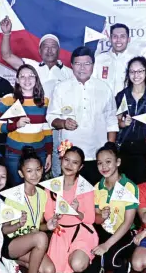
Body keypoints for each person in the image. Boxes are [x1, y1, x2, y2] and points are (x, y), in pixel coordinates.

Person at [0, 16, 75, 178]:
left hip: (58, 124)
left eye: (53, 47)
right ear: (39, 51)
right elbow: (6, 55)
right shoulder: (30, 67)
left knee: (57, 165)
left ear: (59, 51)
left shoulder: (68, 72)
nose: (49, 50)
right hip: (31, 125)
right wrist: (6, 34)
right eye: (45, 47)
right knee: (31, 169)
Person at [47, 47, 119, 185]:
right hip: (71, 156)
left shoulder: (104, 88)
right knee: (71, 196)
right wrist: (63, 123)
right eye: (78, 64)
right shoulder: (61, 88)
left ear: (93, 65)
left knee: (97, 196)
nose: (82, 68)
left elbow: (111, 120)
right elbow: (51, 118)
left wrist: (110, 148)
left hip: (98, 154)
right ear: (72, 65)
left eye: (87, 64)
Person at [0, 147, 56, 273]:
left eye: (38, 169)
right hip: (10, 243)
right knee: (41, 237)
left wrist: (48, 226)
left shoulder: (44, 194)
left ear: (43, 169)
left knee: (49, 272)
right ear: (21, 173)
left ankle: (13, 261)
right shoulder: (13, 196)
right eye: (29, 171)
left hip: (29, 241)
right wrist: (18, 225)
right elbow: (4, 231)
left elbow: (37, 227)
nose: (35, 174)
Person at [83, 143, 138, 273]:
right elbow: (96, 218)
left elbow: (128, 223)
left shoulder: (129, 186)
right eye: (100, 163)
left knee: (111, 261)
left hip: (124, 234)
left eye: (108, 162)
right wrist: (102, 216)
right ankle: (103, 260)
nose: (104, 167)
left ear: (118, 162)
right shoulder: (97, 187)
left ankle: (124, 263)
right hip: (104, 232)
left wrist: (106, 245)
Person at [43, 147, 99, 273]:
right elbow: (48, 216)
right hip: (60, 233)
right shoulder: (51, 185)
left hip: (81, 232)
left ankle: (90, 260)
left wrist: (77, 211)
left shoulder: (85, 187)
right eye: (66, 160)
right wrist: (55, 218)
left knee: (77, 264)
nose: (69, 165)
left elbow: (91, 219)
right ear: (61, 160)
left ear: (80, 167)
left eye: (75, 163)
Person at [0, 64, 53, 187]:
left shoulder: (45, 101)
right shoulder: (8, 99)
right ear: (17, 80)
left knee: (37, 188)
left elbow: (47, 129)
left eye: (31, 76)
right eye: (22, 76)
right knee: (15, 190)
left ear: (36, 79)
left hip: (39, 153)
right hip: (14, 154)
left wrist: (49, 154)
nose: (27, 80)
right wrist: (15, 125)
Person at [115, 57, 146, 185]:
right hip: (124, 149)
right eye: (132, 72)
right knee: (124, 189)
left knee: (142, 190)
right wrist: (122, 123)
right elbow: (115, 122)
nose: (136, 75)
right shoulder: (121, 96)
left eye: (140, 71)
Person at [93, 23, 135, 96]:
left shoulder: (135, 61)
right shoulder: (99, 59)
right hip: (103, 103)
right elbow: (92, 84)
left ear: (128, 39)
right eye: (115, 36)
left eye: (122, 36)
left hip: (126, 104)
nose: (118, 40)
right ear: (110, 39)